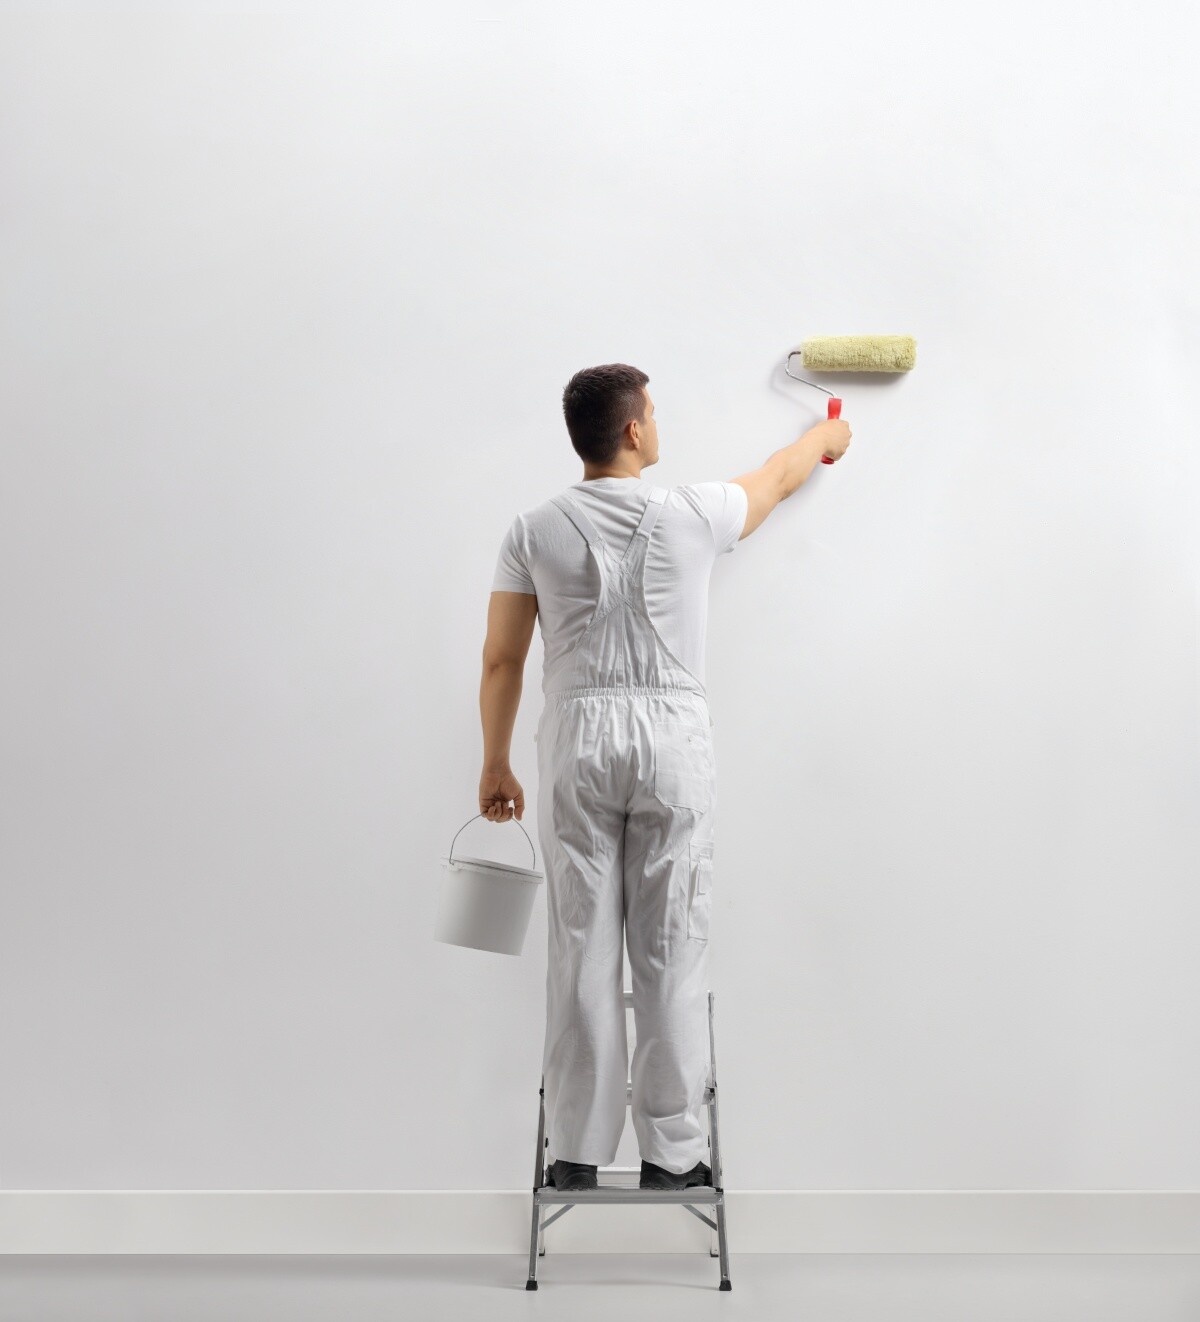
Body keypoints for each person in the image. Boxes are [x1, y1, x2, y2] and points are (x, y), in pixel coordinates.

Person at [478, 364, 851, 1192]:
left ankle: (574, 1150)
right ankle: (673, 1155)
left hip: (575, 738)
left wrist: (496, 759)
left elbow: (503, 659)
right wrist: (825, 438)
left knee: (581, 942)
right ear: (635, 432)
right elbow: (777, 480)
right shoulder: (691, 513)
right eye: (652, 411)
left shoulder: (532, 530)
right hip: (672, 741)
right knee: (672, 946)